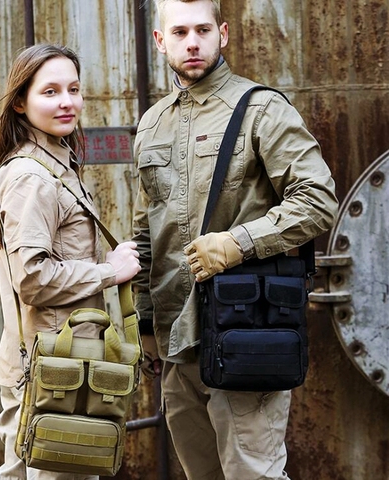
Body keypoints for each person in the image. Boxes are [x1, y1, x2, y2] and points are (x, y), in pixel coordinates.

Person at [132, 1, 338, 479]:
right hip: (176, 340)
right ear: (160, 42)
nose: (192, 41)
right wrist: (144, 318)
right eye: (179, 31)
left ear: (222, 34)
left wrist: (238, 243)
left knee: (254, 474)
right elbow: (148, 228)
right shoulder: (151, 124)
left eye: (203, 29)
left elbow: (318, 199)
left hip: (244, 329)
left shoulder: (261, 109)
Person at [0, 43, 141, 480]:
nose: (67, 101)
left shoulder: (56, 161)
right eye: (50, 91)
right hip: (53, 368)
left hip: (52, 363)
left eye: (73, 88)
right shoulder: (32, 177)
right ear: (20, 102)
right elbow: (32, 279)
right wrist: (110, 272)